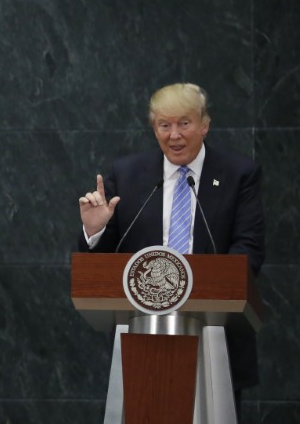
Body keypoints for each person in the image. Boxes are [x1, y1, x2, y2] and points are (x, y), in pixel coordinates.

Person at [77, 83, 265, 416]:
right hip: (142, 336)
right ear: (154, 129)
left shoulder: (238, 174)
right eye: (165, 125)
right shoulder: (128, 173)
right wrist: (95, 229)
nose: (174, 135)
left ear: (204, 125)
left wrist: (209, 284)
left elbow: (249, 249)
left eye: (184, 123)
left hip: (216, 335)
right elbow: (108, 257)